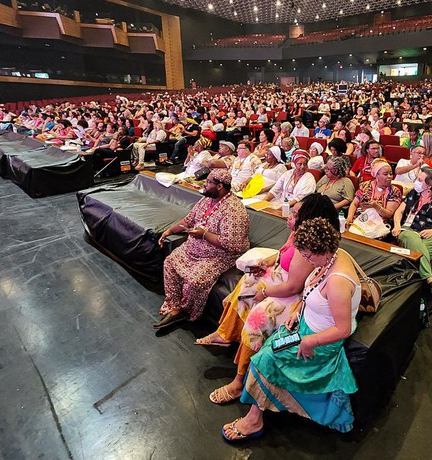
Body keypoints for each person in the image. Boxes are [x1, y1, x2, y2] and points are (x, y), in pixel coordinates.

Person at [222, 217, 361, 441]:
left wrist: (310, 341)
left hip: (320, 341)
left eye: (308, 256)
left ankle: (254, 419)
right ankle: (256, 411)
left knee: (265, 358)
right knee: (269, 349)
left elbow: (343, 329)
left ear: (324, 249)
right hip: (303, 327)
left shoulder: (337, 282)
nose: (305, 260)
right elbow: (313, 292)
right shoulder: (331, 257)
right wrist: (298, 308)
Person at [196, 194, 338, 404]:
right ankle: (226, 334)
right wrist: (266, 262)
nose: (291, 217)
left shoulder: (309, 246)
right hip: (282, 278)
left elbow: (294, 287)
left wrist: (266, 293)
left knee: (258, 318)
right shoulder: (298, 233)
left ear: (310, 217)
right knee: (247, 283)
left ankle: (239, 381)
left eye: (297, 214)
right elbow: (282, 255)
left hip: (294, 294)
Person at [154, 169, 251, 328]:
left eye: (208, 182)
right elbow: (188, 220)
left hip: (219, 256)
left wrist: (205, 235)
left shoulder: (234, 210)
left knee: (195, 281)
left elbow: (233, 244)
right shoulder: (206, 200)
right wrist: (169, 231)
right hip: (193, 248)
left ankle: (186, 312)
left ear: (219, 186)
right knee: (170, 263)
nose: (204, 185)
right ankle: (175, 306)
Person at [392, 168, 432, 298]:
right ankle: (430, 280)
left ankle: (408, 288)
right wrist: (397, 226)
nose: (416, 182)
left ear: (429, 186)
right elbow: (399, 212)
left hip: (430, 236)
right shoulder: (413, 194)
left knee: (414, 255)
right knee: (409, 237)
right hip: (408, 231)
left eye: (420, 180)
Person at [346, 158, 402, 228]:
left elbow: (389, 214)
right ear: (376, 175)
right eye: (385, 174)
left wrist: (376, 206)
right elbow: (354, 204)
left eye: (391, 174)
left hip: (379, 224)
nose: (389, 177)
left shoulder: (394, 191)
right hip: (359, 219)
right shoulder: (365, 185)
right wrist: (350, 217)